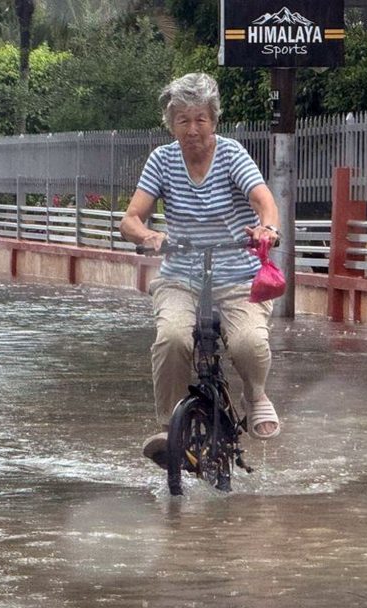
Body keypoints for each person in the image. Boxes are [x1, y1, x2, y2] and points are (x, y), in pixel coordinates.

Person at [119, 72, 282, 463]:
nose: (192, 129)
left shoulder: (232, 155)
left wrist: (267, 229)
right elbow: (130, 219)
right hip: (181, 277)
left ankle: (255, 395)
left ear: (214, 120)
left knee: (248, 343)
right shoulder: (162, 160)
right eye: (183, 120)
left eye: (200, 119)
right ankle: (168, 427)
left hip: (239, 278)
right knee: (172, 338)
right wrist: (148, 235)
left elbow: (264, 200)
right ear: (171, 123)